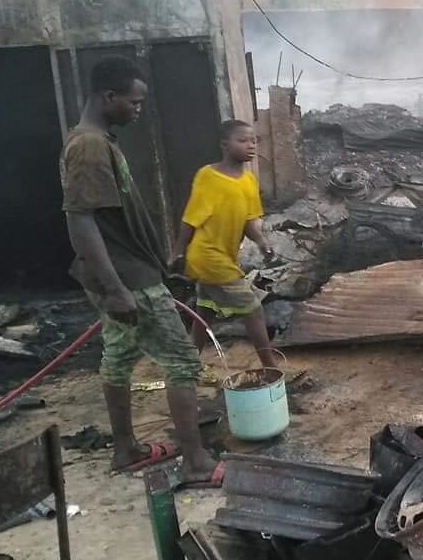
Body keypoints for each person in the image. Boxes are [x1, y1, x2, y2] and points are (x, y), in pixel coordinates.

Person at [60, 56, 221, 485]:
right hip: (128, 278)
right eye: (133, 102)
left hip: (126, 273)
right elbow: (80, 219)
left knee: (119, 356)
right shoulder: (90, 146)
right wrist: (115, 288)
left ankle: (126, 449)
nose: (138, 109)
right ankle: (196, 463)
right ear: (108, 96)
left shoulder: (98, 140)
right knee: (182, 362)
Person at [170, 120, 281, 369]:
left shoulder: (249, 180)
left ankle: (190, 367)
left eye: (253, 141)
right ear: (224, 145)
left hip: (226, 256)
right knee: (252, 308)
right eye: (242, 141)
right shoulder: (208, 176)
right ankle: (271, 367)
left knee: (205, 311)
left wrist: (263, 243)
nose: (250, 146)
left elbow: (248, 221)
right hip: (207, 255)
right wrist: (178, 251)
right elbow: (191, 217)